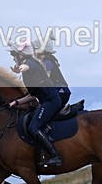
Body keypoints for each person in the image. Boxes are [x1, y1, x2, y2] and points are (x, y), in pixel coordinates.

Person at [7, 40, 64, 168]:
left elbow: (26, 66)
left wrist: (19, 69)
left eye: (13, 55)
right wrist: (16, 102)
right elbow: (33, 95)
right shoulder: (30, 68)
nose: (12, 58)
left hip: (51, 101)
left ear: (20, 55)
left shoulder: (29, 63)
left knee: (33, 127)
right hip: (47, 101)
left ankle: (55, 157)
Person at [33, 34, 71, 108]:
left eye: (34, 49)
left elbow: (45, 80)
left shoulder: (47, 62)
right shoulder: (49, 60)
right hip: (61, 91)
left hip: (59, 92)